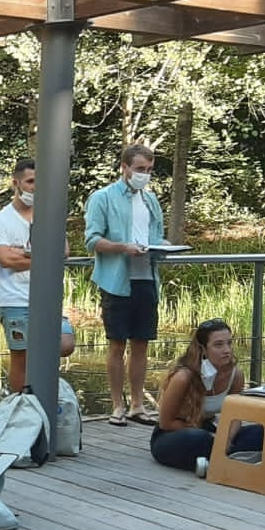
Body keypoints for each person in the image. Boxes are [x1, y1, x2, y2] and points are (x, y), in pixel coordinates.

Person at [85, 144, 167, 426]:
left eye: (149, 170)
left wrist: (165, 248)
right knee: (117, 343)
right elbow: (92, 240)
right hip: (116, 279)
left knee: (142, 343)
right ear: (125, 167)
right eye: (140, 169)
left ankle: (137, 404)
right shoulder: (103, 198)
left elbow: (156, 236)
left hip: (147, 278)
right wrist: (123, 247)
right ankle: (117, 405)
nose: (145, 175)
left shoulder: (151, 201)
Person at [0, 157, 76, 393]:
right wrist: (44, 256)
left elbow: (64, 251)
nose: (36, 187)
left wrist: (25, 255)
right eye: (30, 181)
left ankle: (43, 397)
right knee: (21, 358)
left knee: (66, 343)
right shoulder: (1, 220)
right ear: (15, 183)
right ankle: (20, 407)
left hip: (47, 299)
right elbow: (6, 260)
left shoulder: (50, 215)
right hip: (15, 300)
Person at [150, 319, 263, 473]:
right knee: (199, 438)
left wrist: (226, 439)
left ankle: (217, 460)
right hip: (175, 433)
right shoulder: (184, 377)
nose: (227, 350)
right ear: (203, 349)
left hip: (210, 430)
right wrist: (212, 437)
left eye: (229, 343)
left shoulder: (236, 375)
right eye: (218, 345)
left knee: (261, 432)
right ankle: (228, 460)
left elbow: (235, 417)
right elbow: (166, 423)